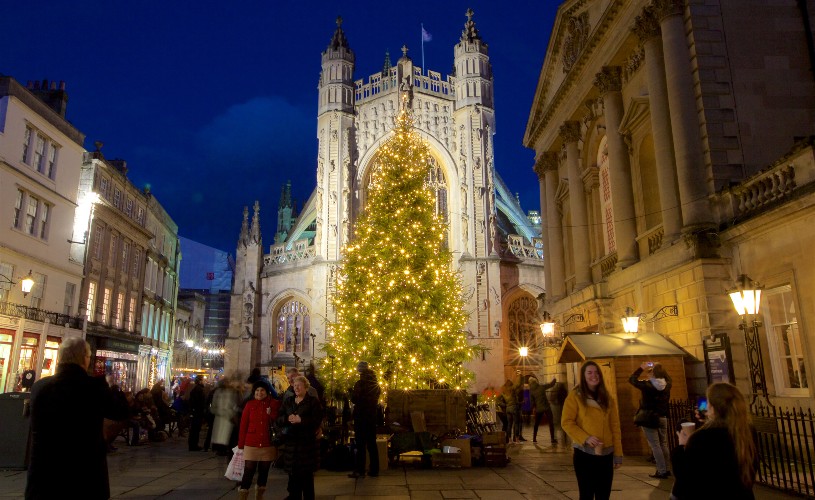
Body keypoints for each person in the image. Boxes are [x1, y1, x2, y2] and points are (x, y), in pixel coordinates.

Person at [25, 337, 127, 499]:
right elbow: (120, 413)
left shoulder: (39, 387)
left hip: (43, 476)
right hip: (83, 477)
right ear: (84, 358)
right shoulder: (94, 388)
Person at [671, 383, 757, 499]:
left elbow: (685, 478)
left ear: (711, 406)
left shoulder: (701, 438)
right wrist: (709, 420)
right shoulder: (747, 431)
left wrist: (682, 445)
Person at [561, 360, 623, 500]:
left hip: (606, 453)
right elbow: (567, 422)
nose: (593, 375)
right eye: (589, 372)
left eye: (596, 372)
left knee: (604, 494)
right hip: (585, 453)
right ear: (583, 376)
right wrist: (586, 438)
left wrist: (618, 453)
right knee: (586, 494)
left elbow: (615, 427)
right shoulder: (575, 396)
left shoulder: (607, 398)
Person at [277, 375, 322, 500]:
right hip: (291, 446)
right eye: (294, 385)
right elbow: (279, 418)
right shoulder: (289, 401)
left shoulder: (313, 402)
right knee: (293, 481)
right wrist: (287, 419)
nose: (296, 388)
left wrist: (301, 420)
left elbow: (316, 420)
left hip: (306, 446)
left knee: (307, 481)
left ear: (305, 387)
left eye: (299, 385)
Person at [237, 380, 281, 500]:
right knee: (248, 471)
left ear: (267, 392)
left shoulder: (274, 404)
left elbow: (278, 422)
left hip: (267, 443)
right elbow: (243, 425)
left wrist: (271, 414)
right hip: (251, 443)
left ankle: (259, 496)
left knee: (264, 471)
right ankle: (243, 495)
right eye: (257, 390)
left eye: (262, 390)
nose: (259, 393)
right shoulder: (249, 405)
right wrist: (241, 445)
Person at [628, 361, 672, 479]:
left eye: (650, 372)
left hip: (649, 418)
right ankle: (667, 469)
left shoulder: (648, 385)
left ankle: (661, 471)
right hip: (663, 417)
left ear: (653, 373)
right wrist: (658, 367)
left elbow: (632, 379)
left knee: (655, 445)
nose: (648, 374)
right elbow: (667, 376)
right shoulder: (667, 384)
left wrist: (641, 368)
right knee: (663, 443)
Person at [348, 361, 381, 478]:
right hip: (371, 416)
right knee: (372, 443)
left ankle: (360, 470)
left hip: (361, 416)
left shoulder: (360, 383)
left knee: (361, 444)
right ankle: (374, 469)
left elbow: (355, 399)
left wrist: (350, 393)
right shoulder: (375, 384)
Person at [529, 376, 557, 444]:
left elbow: (532, 402)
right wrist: (554, 379)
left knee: (536, 424)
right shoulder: (541, 386)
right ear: (536, 381)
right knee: (551, 423)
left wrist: (532, 409)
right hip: (546, 407)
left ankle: (534, 438)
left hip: (539, 409)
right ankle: (552, 439)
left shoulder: (531, 391)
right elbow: (551, 384)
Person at [188, 376, 207, 451]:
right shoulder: (199, 390)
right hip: (197, 412)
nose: (205, 381)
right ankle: (193, 445)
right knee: (195, 430)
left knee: (194, 429)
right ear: (200, 381)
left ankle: (193, 445)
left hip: (195, 412)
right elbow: (199, 402)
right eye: (203, 380)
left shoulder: (196, 389)